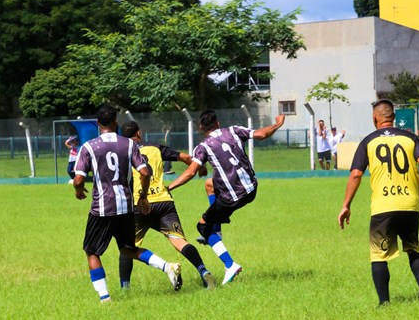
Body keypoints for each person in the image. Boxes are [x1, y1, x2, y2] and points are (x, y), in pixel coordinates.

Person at [72, 105, 182, 303]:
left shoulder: (89, 147)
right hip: (126, 206)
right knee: (128, 249)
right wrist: (142, 197)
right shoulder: (129, 145)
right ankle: (168, 267)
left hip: (102, 208)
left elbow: (79, 180)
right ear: (116, 123)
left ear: (98, 124)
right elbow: (145, 172)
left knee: (92, 252)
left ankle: (105, 299)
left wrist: (79, 192)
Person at [167, 109, 285, 285]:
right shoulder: (234, 130)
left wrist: (170, 187)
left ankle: (230, 264)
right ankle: (218, 230)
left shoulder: (203, 147)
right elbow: (261, 134)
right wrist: (277, 124)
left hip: (233, 196)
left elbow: (191, 171)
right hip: (251, 187)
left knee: (202, 227)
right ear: (217, 123)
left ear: (200, 127)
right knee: (209, 184)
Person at [338, 99, 419, 306]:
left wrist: (346, 205)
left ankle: (384, 302)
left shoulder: (368, 141)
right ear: (394, 117)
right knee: (413, 248)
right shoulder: (410, 138)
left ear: (375, 118)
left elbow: (355, 175)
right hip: (409, 204)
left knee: (378, 256)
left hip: (383, 206)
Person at [118, 121, 215, 290]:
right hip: (164, 202)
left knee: (128, 247)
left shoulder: (122, 151)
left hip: (140, 204)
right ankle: (204, 271)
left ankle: (125, 288)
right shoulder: (155, 147)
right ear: (139, 133)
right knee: (179, 241)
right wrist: (199, 168)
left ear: (122, 137)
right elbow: (185, 157)